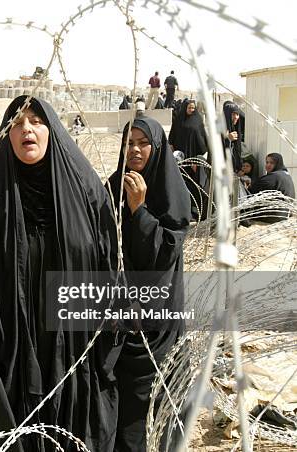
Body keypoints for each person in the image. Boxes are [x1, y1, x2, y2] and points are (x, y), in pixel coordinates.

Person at [0, 95, 118, 451]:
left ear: (52, 130)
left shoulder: (85, 190)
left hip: (71, 334)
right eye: (17, 123)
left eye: (37, 121)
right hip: (15, 329)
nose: (26, 129)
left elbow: (108, 258)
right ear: (6, 135)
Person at [106, 117, 190, 451]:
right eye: (129, 143)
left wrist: (139, 210)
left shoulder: (170, 193)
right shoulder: (114, 186)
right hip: (117, 313)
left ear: (157, 147)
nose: (136, 150)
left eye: (143, 143)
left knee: (151, 403)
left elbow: (167, 252)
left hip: (157, 319)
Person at [168, 99, 209, 220]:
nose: (191, 110)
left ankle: (193, 211)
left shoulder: (198, 120)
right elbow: (172, 136)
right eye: (189, 108)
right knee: (180, 184)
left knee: (193, 185)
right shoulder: (179, 120)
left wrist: (196, 160)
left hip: (193, 161)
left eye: (193, 108)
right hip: (180, 159)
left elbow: (202, 141)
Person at [248, 152, 295, 222]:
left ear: (278, 164)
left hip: (276, 215)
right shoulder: (285, 174)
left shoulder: (274, 177)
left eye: (272, 163)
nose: (268, 165)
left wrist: (248, 186)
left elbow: (254, 189)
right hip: (287, 213)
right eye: (267, 162)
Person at [222, 101, 245, 174]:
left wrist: (240, 168)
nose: (236, 117)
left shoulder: (235, 128)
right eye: (233, 114)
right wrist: (227, 139)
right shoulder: (219, 129)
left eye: (237, 114)